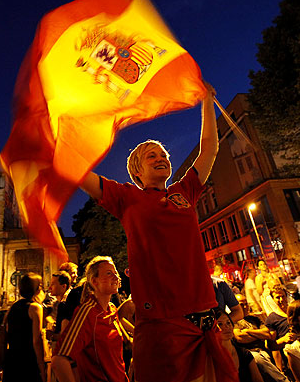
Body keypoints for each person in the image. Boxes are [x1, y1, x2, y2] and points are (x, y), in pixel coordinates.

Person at [80, 82, 237, 382]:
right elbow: (81, 175)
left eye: (163, 154)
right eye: (151, 156)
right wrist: (61, 147)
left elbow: (209, 149)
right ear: (136, 172)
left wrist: (206, 100)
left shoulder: (185, 190)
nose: (161, 158)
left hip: (206, 321)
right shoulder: (126, 198)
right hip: (163, 325)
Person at [52, 256, 129, 382]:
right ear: (94, 281)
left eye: (115, 273)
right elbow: (59, 360)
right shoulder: (88, 312)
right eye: (109, 273)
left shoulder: (111, 308)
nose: (116, 277)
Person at [3, 272, 46, 382]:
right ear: (37, 289)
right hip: (28, 361)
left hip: (12, 361)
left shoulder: (14, 306)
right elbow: (37, 340)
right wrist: (42, 367)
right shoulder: (35, 308)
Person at [215, 310, 264, 382]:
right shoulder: (211, 358)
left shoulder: (244, 353)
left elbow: (257, 379)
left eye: (228, 322)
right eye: (220, 324)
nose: (227, 327)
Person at [265, 287, 297, 375]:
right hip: (290, 356)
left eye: (283, 296)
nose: (281, 300)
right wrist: (283, 340)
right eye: (277, 297)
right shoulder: (271, 319)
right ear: (273, 299)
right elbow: (270, 346)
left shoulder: (295, 311)